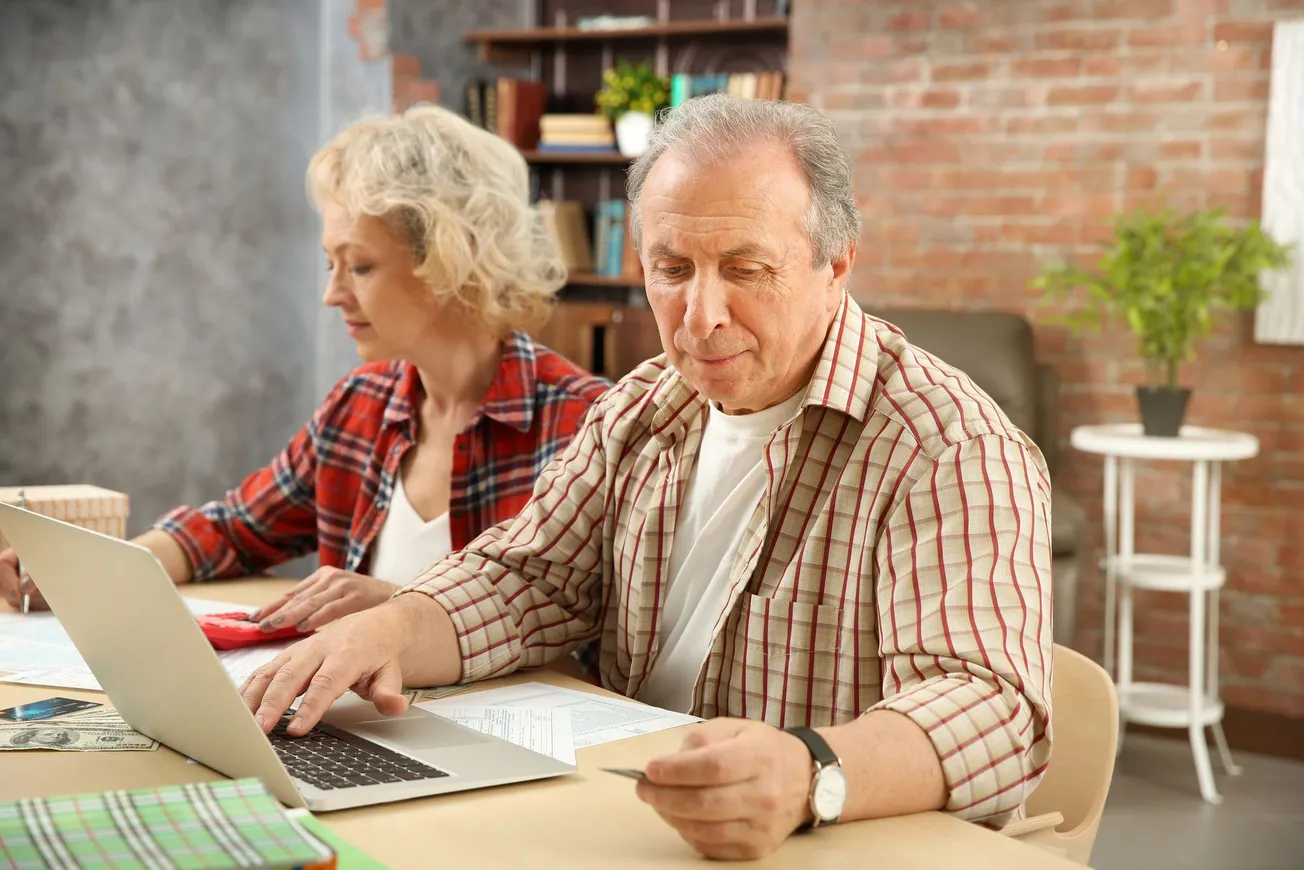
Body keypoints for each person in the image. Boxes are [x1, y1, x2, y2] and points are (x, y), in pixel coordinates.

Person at [240, 94, 1053, 860]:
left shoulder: (948, 445)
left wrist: (811, 773)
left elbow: (989, 705)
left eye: (745, 269)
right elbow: (529, 579)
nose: (700, 315)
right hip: (629, 824)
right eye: (671, 268)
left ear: (836, 262)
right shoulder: (643, 408)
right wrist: (389, 630)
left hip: (828, 843)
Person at [0, 105, 611, 633]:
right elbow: (234, 531)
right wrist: (91, 578)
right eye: (331, 266)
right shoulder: (361, 406)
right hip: (366, 735)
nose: (333, 295)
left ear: (452, 262)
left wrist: (407, 615)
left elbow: (584, 631)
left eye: (360, 267)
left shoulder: (587, 424)